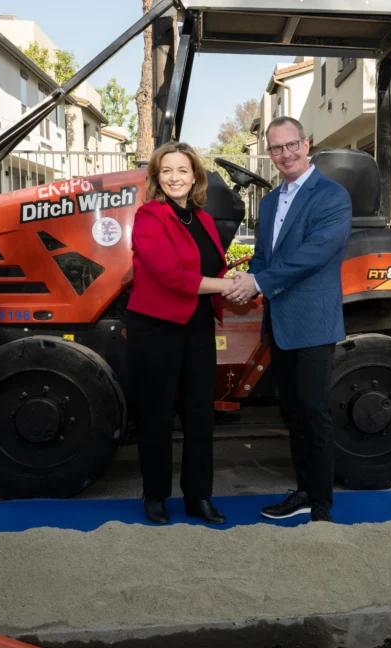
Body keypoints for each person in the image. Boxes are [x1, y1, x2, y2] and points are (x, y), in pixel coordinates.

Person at [224, 117, 352, 523]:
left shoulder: (332, 197)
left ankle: (321, 506)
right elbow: (264, 256)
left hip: (312, 322)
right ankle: (303, 490)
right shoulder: (271, 202)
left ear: (306, 142)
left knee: (314, 413)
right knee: (293, 413)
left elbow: (314, 254)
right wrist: (248, 281)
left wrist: (259, 280)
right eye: (276, 149)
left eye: (291, 145)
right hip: (280, 322)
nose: (284, 155)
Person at [126, 141, 232, 526]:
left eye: (182, 170)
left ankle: (197, 497)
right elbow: (172, 275)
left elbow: (211, 269)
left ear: (195, 177)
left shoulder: (202, 218)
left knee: (200, 415)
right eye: (166, 171)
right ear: (157, 178)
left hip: (198, 326)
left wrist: (231, 281)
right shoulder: (149, 217)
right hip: (156, 327)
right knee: (156, 415)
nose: (175, 177)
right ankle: (155, 496)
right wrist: (224, 287)